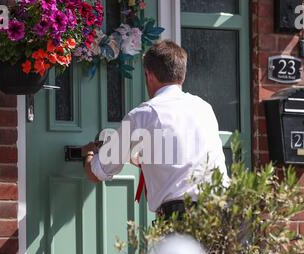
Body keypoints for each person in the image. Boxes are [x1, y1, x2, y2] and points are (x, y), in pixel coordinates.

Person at [82, 40, 229, 219]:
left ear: (149, 75)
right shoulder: (204, 108)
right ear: (182, 75)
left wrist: (88, 153)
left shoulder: (143, 116)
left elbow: (98, 171)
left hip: (181, 219)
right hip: (221, 216)